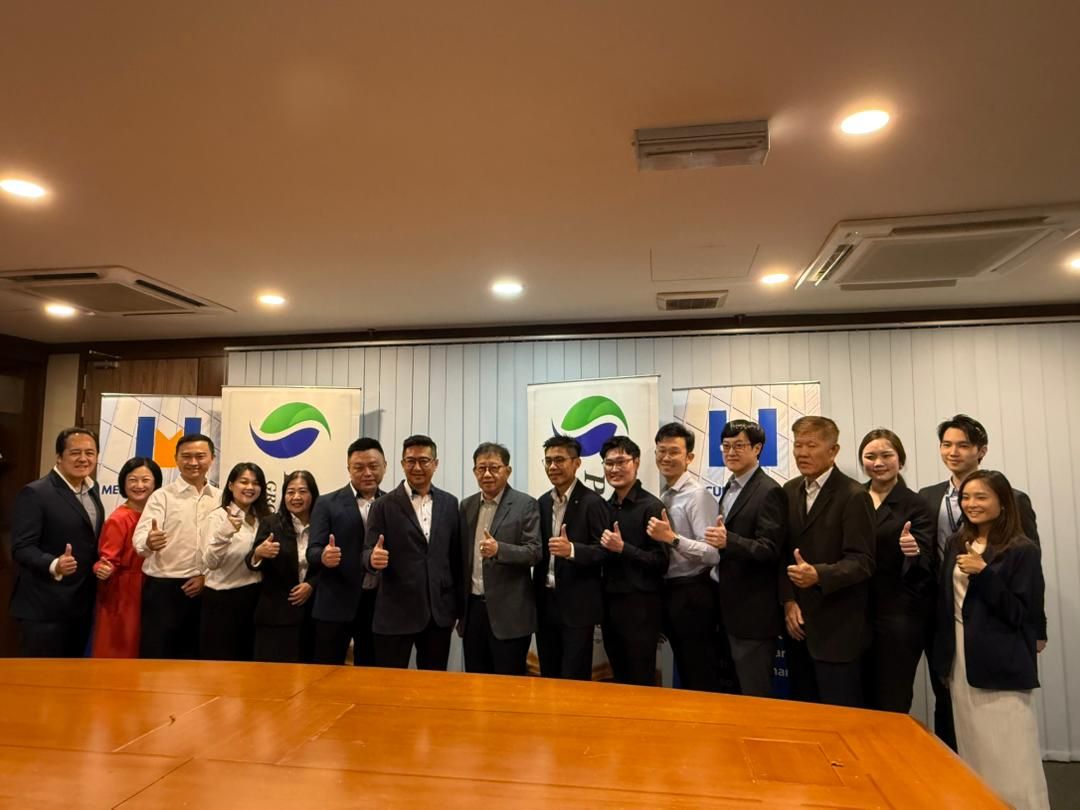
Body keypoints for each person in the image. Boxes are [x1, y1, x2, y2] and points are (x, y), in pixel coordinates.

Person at [919, 413, 1046, 750]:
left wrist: (1037, 627)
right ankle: (953, 771)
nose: (953, 452)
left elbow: (1031, 570)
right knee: (948, 701)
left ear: (981, 450)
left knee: (997, 713)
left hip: (994, 618)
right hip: (944, 617)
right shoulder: (927, 496)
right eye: (946, 444)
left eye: (963, 445)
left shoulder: (1013, 499)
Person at [931, 470, 1049, 810]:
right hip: (960, 655)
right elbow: (947, 601)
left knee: (1011, 749)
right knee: (972, 745)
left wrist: (984, 573)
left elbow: (1019, 613)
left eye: (981, 497)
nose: (971, 504)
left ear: (1003, 502)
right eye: (966, 497)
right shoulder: (957, 542)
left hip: (1000, 657)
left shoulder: (1022, 550)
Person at [780, 416, 875, 708]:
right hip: (797, 627)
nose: (802, 453)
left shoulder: (854, 495)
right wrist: (788, 601)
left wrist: (818, 575)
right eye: (798, 445)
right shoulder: (789, 490)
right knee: (803, 712)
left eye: (811, 445)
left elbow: (862, 561)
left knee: (840, 715)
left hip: (838, 629)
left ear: (833, 451)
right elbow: (781, 553)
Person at [363, 435, 462, 670]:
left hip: (437, 614)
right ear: (402, 464)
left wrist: (457, 609)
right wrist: (372, 559)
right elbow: (366, 551)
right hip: (395, 612)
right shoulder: (383, 505)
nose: (417, 467)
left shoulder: (450, 503)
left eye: (424, 461)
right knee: (390, 685)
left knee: (433, 684)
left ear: (435, 464)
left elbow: (455, 558)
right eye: (410, 461)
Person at [706, 419, 786, 698]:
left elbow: (770, 549)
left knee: (755, 693)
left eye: (739, 446)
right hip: (725, 607)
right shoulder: (730, 486)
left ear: (757, 448)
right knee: (732, 692)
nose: (731, 452)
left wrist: (730, 541)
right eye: (726, 446)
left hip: (753, 614)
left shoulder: (769, 490)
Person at [858, 429, 935, 713]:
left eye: (886, 455)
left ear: (900, 460)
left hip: (897, 615)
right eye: (870, 456)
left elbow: (926, 563)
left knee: (892, 698)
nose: (878, 462)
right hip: (853, 614)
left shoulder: (916, 504)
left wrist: (913, 552)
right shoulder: (852, 497)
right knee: (855, 698)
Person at [10, 427, 104, 657]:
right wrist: (54, 564)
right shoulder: (35, 493)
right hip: (44, 608)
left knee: (72, 675)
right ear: (59, 457)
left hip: (80, 605)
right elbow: (21, 547)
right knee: (40, 676)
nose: (83, 459)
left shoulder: (93, 489)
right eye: (75, 452)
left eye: (90, 453)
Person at [645, 423, 723, 692]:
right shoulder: (664, 493)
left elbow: (713, 554)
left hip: (693, 593)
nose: (666, 457)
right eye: (661, 451)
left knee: (699, 672)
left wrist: (672, 538)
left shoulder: (697, 495)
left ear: (689, 457)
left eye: (674, 452)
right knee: (684, 669)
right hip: (671, 592)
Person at [133, 433, 220, 659]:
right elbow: (140, 539)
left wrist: (205, 576)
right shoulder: (162, 497)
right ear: (176, 459)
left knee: (198, 660)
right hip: (165, 590)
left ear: (212, 458)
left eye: (200, 456)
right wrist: (149, 541)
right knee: (158, 658)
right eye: (186, 456)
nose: (193, 462)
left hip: (206, 588)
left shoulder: (220, 498)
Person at [458, 442, 541, 675]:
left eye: (494, 468)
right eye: (481, 468)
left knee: (509, 684)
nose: (487, 474)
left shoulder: (525, 504)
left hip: (510, 614)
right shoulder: (466, 506)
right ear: (474, 471)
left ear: (508, 470)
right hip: (473, 611)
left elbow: (534, 552)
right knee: (475, 682)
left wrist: (499, 550)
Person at [532, 435, 608, 680]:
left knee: (574, 678)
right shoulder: (542, 502)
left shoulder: (593, 502)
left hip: (577, 606)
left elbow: (604, 552)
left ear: (576, 463)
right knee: (549, 674)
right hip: (546, 603)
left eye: (560, 460)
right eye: (548, 461)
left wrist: (572, 550)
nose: (553, 466)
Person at [307, 438, 388, 665]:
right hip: (335, 602)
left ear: (385, 466)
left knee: (371, 674)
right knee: (326, 672)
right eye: (359, 467)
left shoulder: (393, 503)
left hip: (378, 605)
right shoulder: (326, 503)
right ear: (348, 468)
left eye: (373, 466)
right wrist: (323, 556)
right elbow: (312, 551)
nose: (367, 473)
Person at [599, 436, 668, 686]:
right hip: (609, 606)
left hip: (641, 608)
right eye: (609, 463)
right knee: (618, 677)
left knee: (640, 679)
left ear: (636, 463)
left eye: (621, 462)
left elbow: (661, 561)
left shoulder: (651, 506)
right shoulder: (604, 507)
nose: (615, 469)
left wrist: (623, 548)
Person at [92, 457, 163, 658]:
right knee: (123, 648)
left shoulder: (158, 514)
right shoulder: (119, 518)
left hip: (153, 585)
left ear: (156, 483)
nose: (139, 485)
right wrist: (103, 569)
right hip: (126, 593)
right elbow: (107, 560)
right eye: (132, 480)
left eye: (145, 480)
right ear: (123, 483)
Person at [247, 470, 320, 663]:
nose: (296, 497)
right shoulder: (271, 523)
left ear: (313, 494)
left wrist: (312, 584)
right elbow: (251, 561)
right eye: (290, 492)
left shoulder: (322, 525)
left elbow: (327, 565)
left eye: (302, 491)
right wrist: (258, 553)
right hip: (276, 614)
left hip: (313, 614)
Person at [201, 462, 270, 661]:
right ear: (231, 485)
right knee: (223, 663)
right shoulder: (217, 517)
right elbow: (210, 562)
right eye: (244, 482)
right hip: (223, 601)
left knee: (250, 662)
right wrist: (226, 532)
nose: (250, 487)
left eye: (256, 483)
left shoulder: (263, 518)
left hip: (255, 598)